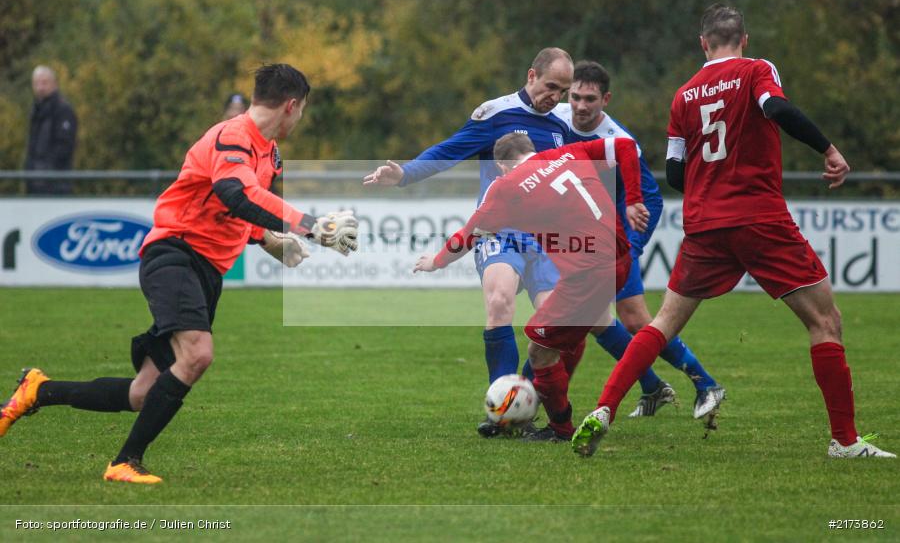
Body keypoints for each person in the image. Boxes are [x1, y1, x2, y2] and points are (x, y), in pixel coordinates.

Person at [0, 63, 361, 483]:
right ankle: (124, 462)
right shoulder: (232, 136)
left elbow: (234, 207)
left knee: (142, 393)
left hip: (205, 271)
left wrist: (268, 240)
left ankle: (38, 390)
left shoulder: (271, 153)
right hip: (175, 256)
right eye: (302, 111)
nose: (300, 119)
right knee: (198, 355)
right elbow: (236, 192)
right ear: (291, 105)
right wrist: (309, 224)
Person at [571, 4, 895, 459]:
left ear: (703, 44)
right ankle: (843, 441)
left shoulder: (683, 95)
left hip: (705, 224)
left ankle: (604, 408)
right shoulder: (756, 69)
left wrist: (711, 174)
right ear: (744, 39)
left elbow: (677, 172)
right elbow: (775, 107)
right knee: (825, 322)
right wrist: (828, 148)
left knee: (662, 322)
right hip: (759, 218)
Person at [364, 48, 574, 436]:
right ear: (531, 76)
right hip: (500, 231)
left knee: (553, 330)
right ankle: (503, 407)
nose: (556, 97)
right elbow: (449, 150)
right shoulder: (496, 113)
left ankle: (523, 403)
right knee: (499, 302)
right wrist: (406, 173)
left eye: (563, 90)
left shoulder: (564, 122)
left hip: (547, 237)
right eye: (550, 87)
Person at [415, 132, 649, 441]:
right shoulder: (569, 153)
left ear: (500, 165)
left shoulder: (506, 188)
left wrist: (437, 261)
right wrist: (633, 200)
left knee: (540, 350)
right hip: (619, 260)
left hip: (587, 274)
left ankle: (560, 427)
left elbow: (469, 234)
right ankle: (538, 408)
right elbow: (625, 145)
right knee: (572, 333)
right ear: (532, 151)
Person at [556, 61, 722, 419]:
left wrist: (628, 233)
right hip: (592, 229)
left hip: (626, 225)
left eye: (590, 99)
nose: (581, 106)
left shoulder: (619, 139)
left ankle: (704, 382)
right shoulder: (557, 116)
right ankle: (652, 387)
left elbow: (645, 197)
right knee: (597, 317)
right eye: (575, 97)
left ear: (606, 99)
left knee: (633, 317)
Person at [24, 65, 77, 195]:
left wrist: (47, 171)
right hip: (34, 181)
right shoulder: (36, 110)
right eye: (36, 83)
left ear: (54, 84)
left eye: (44, 82)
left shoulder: (63, 110)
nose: (40, 87)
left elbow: (65, 146)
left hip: (55, 183)